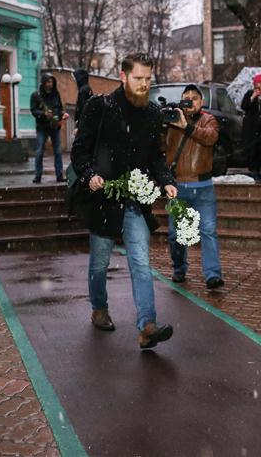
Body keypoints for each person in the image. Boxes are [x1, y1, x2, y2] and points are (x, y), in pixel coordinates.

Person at [71, 53, 179, 350]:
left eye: (148, 79)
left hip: (135, 199)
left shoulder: (153, 114)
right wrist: (89, 174)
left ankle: (146, 325)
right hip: (104, 198)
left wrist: (167, 180)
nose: (144, 84)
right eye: (138, 78)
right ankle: (99, 307)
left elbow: (156, 156)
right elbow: (80, 150)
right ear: (123, 76)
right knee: (100, 263)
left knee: (141, 263)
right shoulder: (100, 107)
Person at [163, 84, 224, 289]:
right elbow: (159, 146)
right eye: (186, 98)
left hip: (203, 185)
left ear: (201, 102)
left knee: (208, 231)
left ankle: (213, 275)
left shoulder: (209, 120)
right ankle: (179, 268)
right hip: (178, 186)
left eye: (194, 98)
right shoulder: (172, 120)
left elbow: (210, 137)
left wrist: (186, 126)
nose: (190, 101)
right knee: (175, 235)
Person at [30, 73, 69, 184]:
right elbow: (33, 110)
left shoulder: (55, 94)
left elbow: (59, 108)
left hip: (54, 126)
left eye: (51, 82)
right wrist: (43, 114)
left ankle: (59, 175)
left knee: (57, 151)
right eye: (48, 82)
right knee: (39, 151)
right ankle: (38, 176)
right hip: (42, 127)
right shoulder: (36, 95)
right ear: (43, 82)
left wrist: (63, 114)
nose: (50, 84)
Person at [241, 73, 261, 181]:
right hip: (250, 127)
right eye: (256, 84)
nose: (258, 86)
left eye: (260, 84)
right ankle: (254, 170)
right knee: (252, 149)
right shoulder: (250, 93)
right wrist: (253, 97)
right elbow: (244, 106)